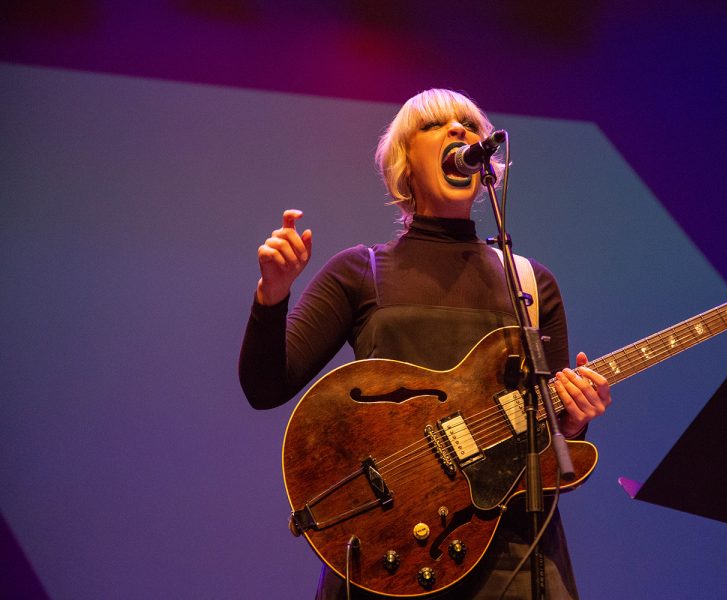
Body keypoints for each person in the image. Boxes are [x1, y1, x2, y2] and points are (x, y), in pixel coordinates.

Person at [239, 88, 611, 599]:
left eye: (469, 124)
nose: (459, 131)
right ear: (403, 165)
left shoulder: (529, 283)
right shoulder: (361, 271)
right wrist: (273, 294)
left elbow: (556, 450)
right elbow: (265, 385)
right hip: (388, 550)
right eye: (435, 125)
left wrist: (573, 418)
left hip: (513, 557)